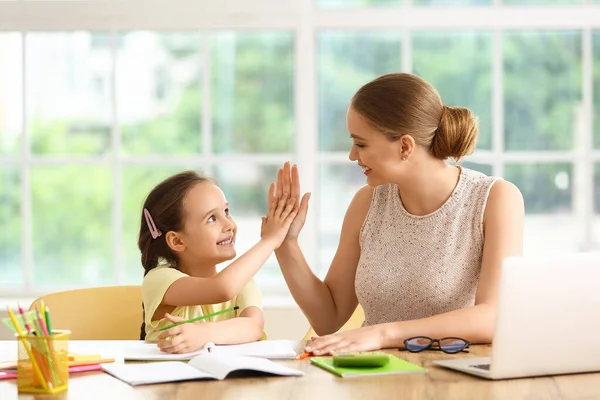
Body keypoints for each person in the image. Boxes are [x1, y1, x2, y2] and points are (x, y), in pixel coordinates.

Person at [268, 73, 524, 355]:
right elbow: (329, 318)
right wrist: (286, 243)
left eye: (361, 144)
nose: (352, 155)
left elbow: (492, 317)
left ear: (405, 146)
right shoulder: (366, 203)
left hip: (456, 376)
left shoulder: (494, 199)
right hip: (376, 374)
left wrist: (383, 333)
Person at [139, 170, 297, 353]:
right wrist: (269, 241)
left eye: (227, 212)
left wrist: (203, 334)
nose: (229, 224)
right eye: (212, 218)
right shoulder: (158, 279)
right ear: (177, 241)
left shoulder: (242, 283)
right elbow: (222, 289)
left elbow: (253, 327)